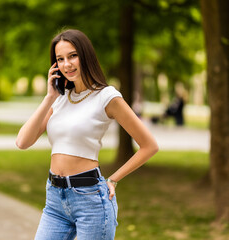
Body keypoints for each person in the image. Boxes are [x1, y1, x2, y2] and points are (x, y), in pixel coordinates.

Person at [15, 29, 159, 240]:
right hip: (55, 199)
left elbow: (150, 146)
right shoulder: (60, 99)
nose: (67, 64)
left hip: (90, 199)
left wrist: (114, 179)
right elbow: (22, 141)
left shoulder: (106, 96)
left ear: (86, 56)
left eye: (73, 56)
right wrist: (49, 97)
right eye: (60, 59)